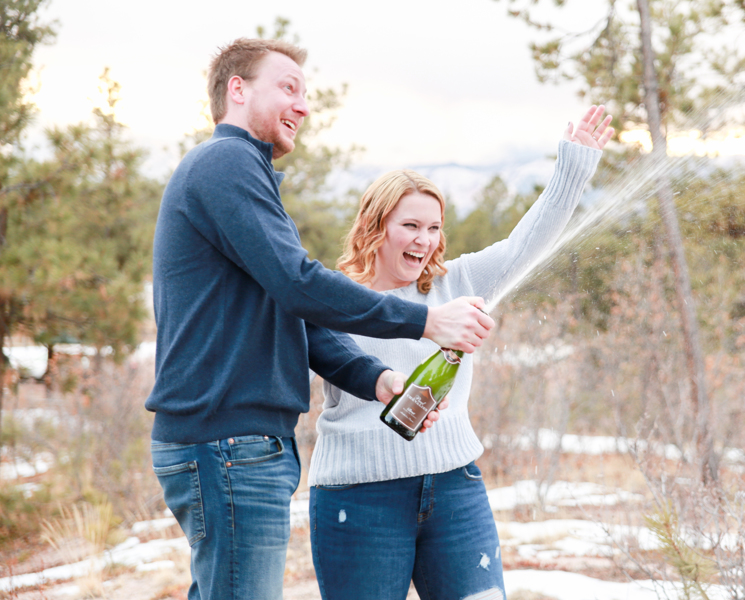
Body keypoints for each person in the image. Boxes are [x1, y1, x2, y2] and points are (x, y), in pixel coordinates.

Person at [145, 38, 494, 600]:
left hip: (239, 444)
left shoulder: (241, 174)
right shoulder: (226, 162)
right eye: (287, 87)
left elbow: (291, 311)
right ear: (237, 90)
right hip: (227, 442)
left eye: (304, 94)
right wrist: (425, 323)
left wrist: (375, 379)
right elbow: (298, 283)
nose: (304, 105)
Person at [307, 105, 614, 600]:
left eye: (434, 227)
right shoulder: (334, 297)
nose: (425, 241)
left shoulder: (461, 281)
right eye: (410, 226)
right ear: (374, 226)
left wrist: (573, 165)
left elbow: (526, 243)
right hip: (359, 495)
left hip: (455, 490)